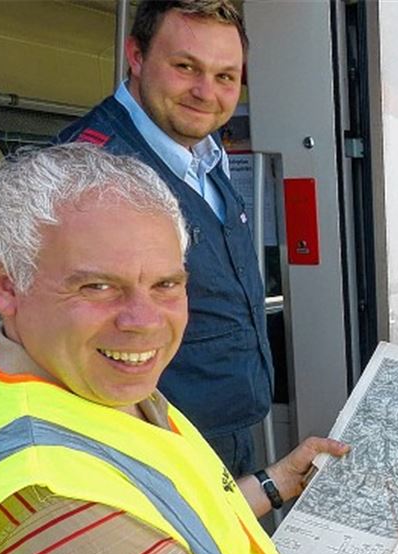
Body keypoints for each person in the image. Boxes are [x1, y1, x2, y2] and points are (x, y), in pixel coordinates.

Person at [0, 144, 398, 554]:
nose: (143, 322)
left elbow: (176, 517)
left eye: (166, 284)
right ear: (7, 286)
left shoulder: (85, 385)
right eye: (97, 286)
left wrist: (276, 483)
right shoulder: (54, 504)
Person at [54, 0, 268, 476]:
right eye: (185, 67)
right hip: (146, 451)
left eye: (225, 77)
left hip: (216, 435)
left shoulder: (204, 156)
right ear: (135, 56)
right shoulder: (92, 172)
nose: (205, 92)